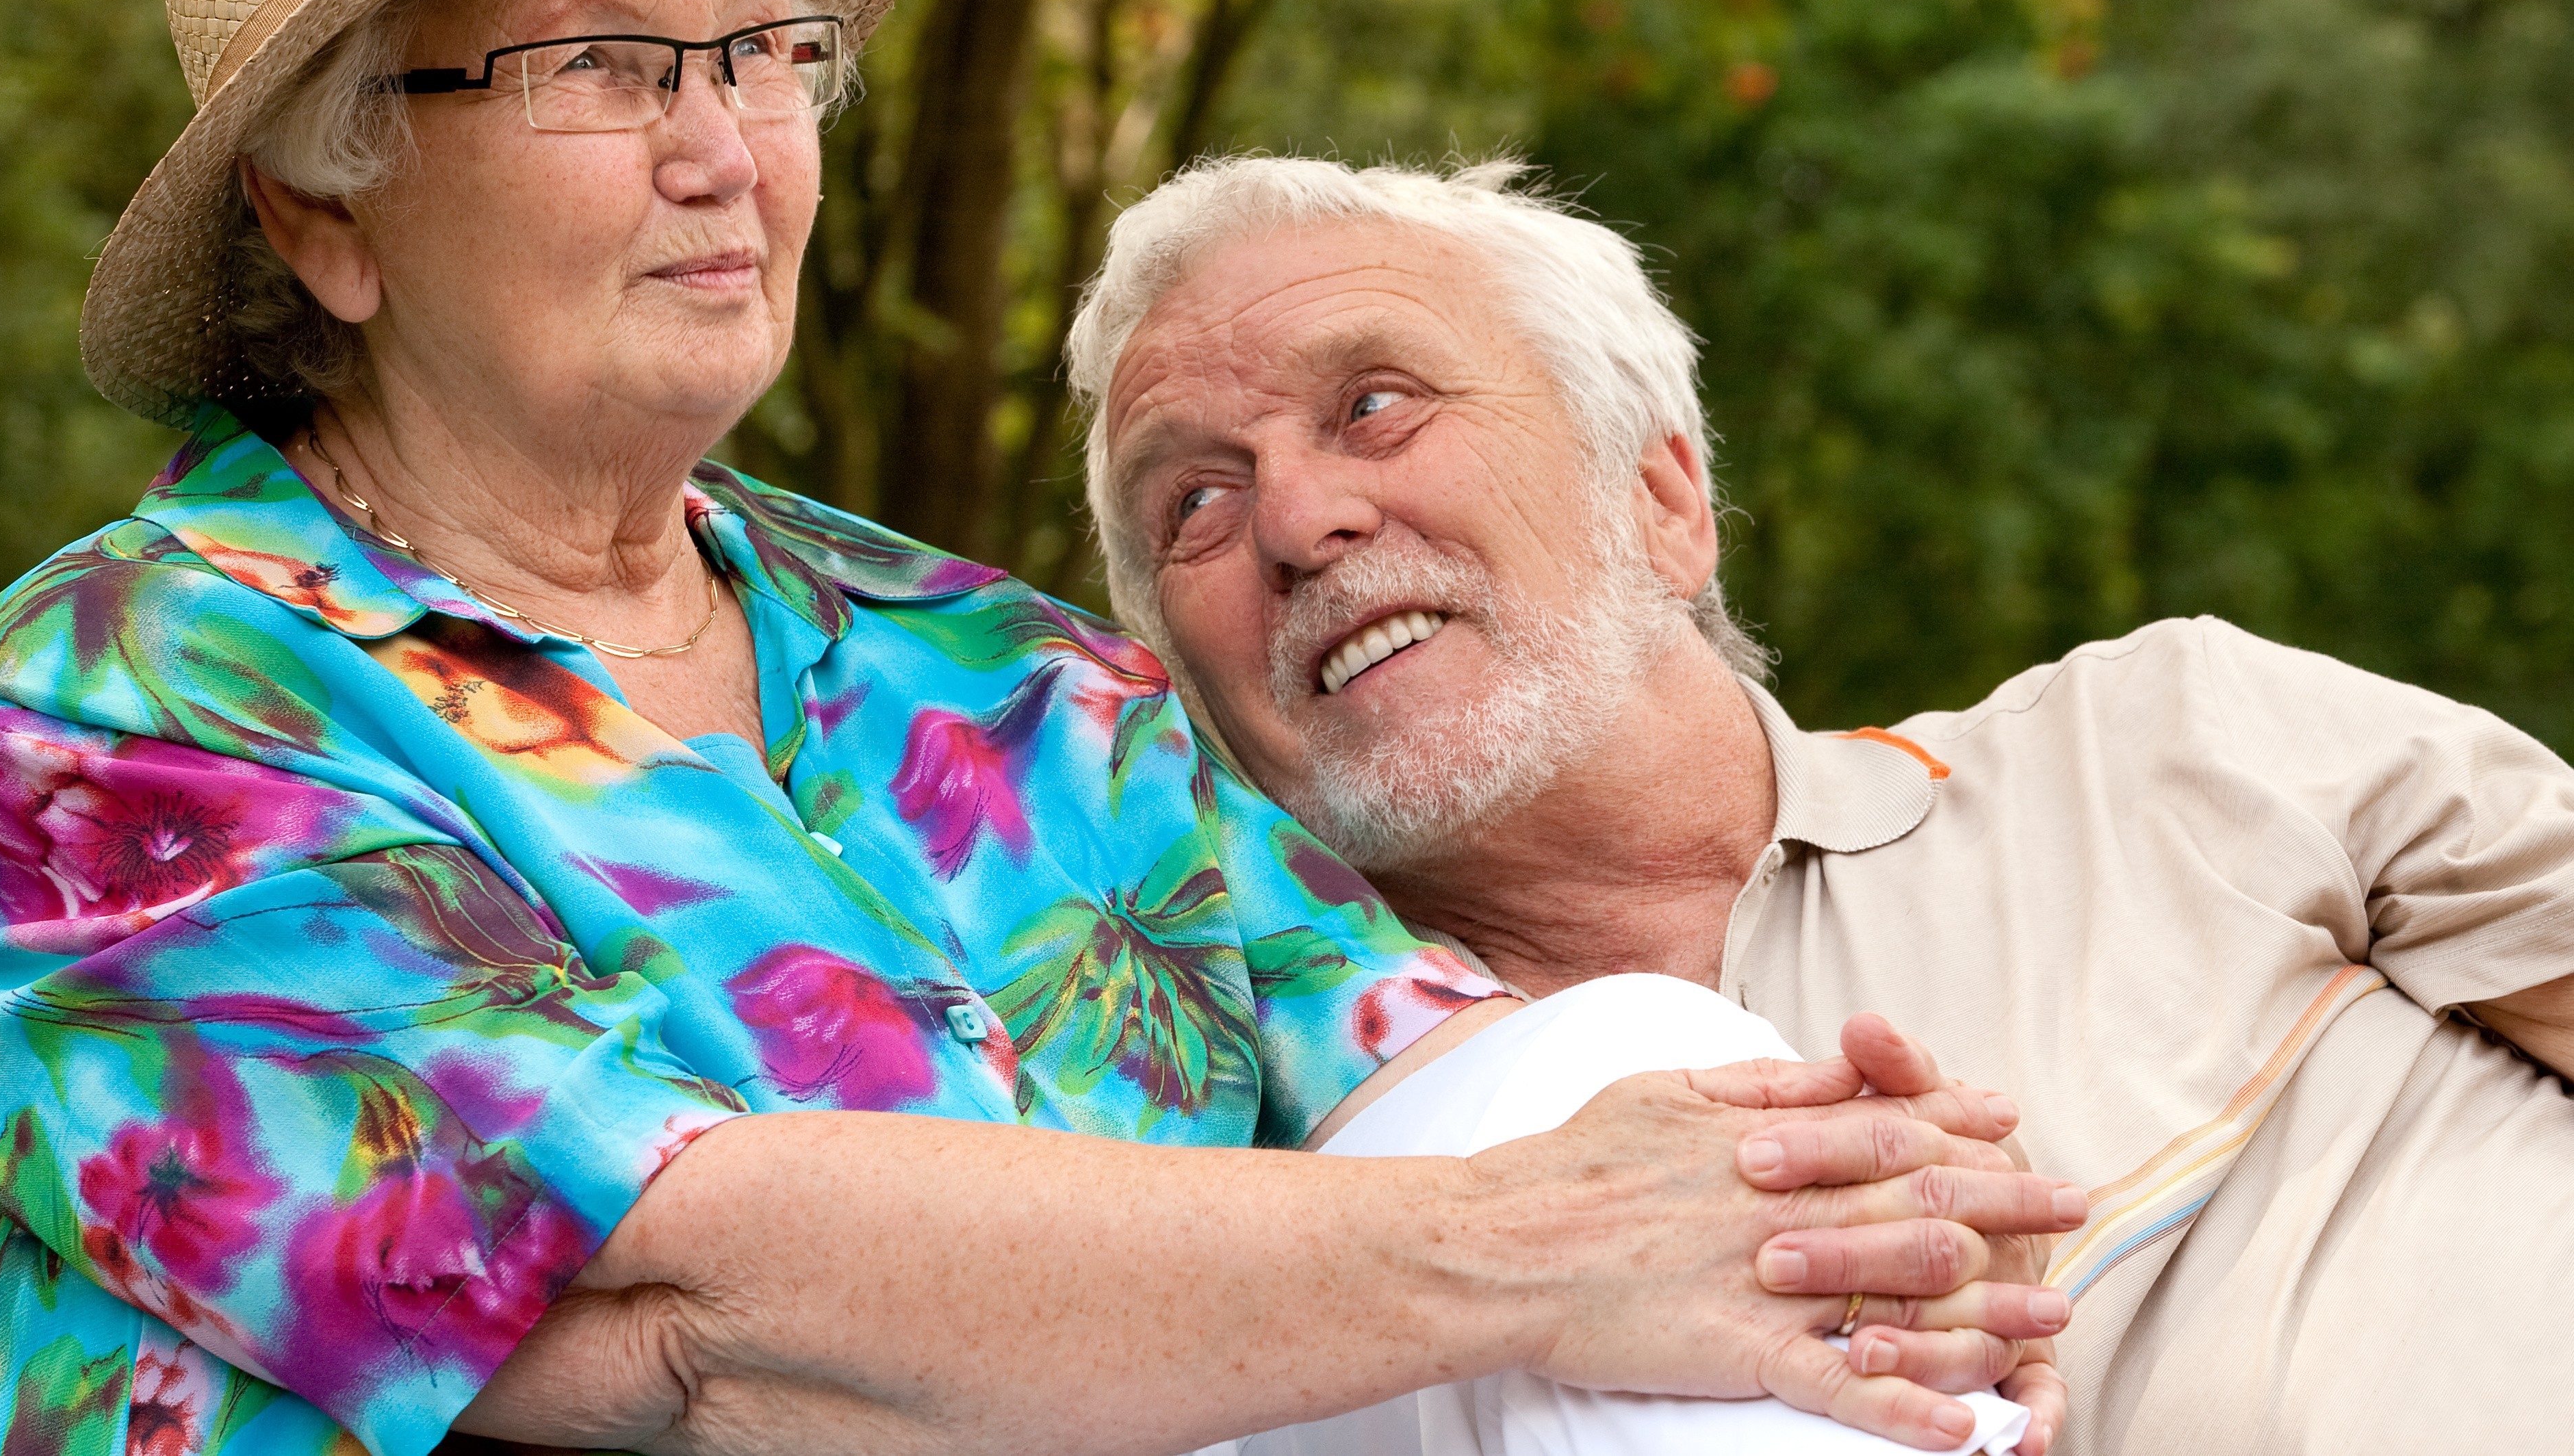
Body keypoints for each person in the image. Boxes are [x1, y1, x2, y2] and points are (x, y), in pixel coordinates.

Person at [0, 0, 2087, 1456]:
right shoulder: (125, 705)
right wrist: (1522, 1255)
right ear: (328, 217)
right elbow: (698, 1316)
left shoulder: (995, 670)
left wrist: (1853, 1252)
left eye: (770, 54)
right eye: (600, 66)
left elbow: (1469, 1082)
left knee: (1638, 1071)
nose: (727, 147)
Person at [1068, 153, 2574, 1455]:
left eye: (1374, 404)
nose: (1291, 520)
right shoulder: (1275, 1195)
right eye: (1189, 502)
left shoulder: (2175, 743)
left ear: (1662, 500)